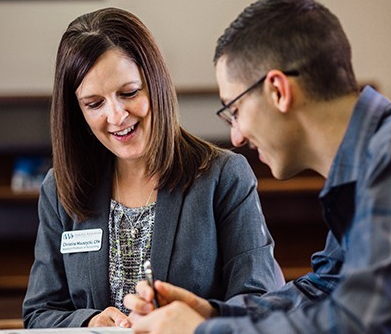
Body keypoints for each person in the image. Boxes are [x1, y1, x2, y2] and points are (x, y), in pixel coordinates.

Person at [123, 0, 391, 333]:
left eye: (234, 111)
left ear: (279, 91)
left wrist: (200, 333)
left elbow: (364, 324)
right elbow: (324, 288)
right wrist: (212, 315)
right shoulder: (374, 158)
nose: (235, 137)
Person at [22, 7, 284, 329]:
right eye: (94, 104)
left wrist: (194, 321)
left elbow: (260, 302)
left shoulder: (224, 176)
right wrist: (89, 322)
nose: (116, 116)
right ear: (77, 111)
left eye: (129, 93)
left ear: (156, 83)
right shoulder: (60, 188)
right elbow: (39, 313)